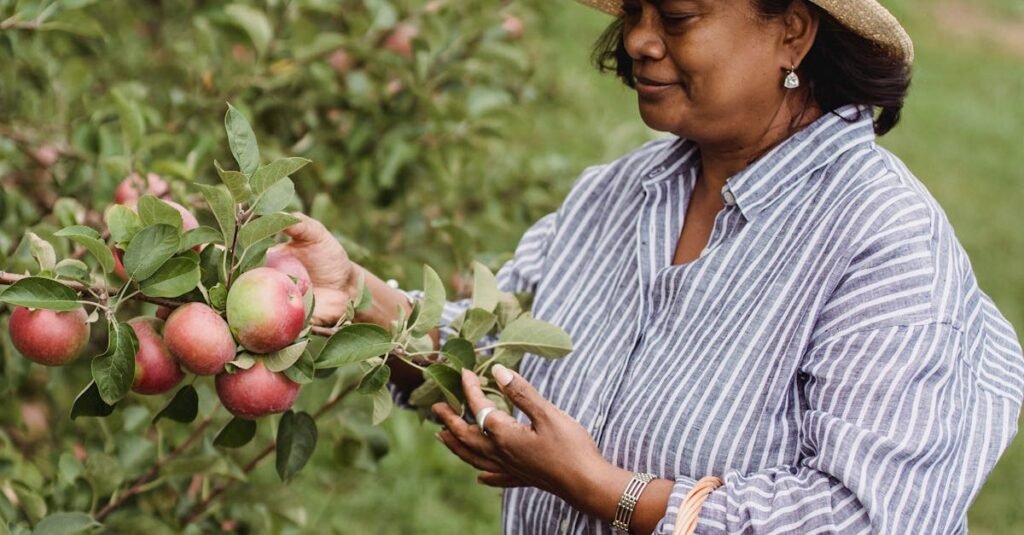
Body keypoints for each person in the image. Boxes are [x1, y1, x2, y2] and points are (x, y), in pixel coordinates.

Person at [277, 0, 1024, 533]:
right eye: (634, 13)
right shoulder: (620, 192)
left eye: (676, 17)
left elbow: (870, 517)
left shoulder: (880, 238)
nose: (637, 39)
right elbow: (495, 354)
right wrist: (362, 298)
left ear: (792, 32)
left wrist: (607, 491)